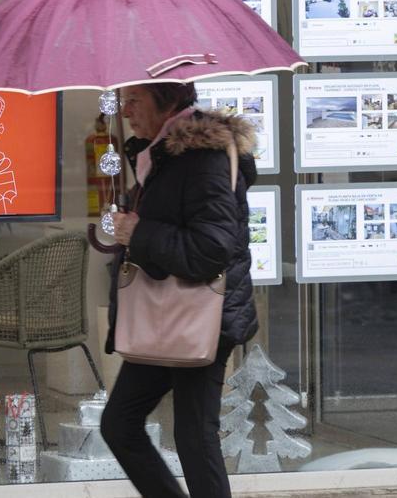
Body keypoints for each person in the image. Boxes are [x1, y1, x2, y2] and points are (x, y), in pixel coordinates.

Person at [100, 82, 259, 498]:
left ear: (168, 101)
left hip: (200, 318)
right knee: (120, 423)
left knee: (194, 435)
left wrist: (140, 231)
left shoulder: (199, 158)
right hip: (167, 315)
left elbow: (211, 250)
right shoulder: (160, 154)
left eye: (135, 99)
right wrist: (129, 230)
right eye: (124, 100)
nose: (127, 109)